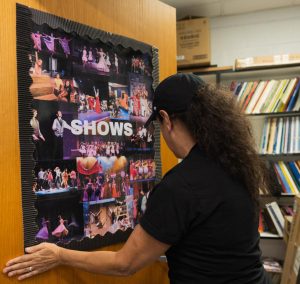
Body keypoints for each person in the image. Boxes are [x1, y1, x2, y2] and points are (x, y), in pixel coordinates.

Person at [2, 73, 271, 283]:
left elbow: (125, 264)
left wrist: (59, 254)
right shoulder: (235, 165)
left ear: (166, 119)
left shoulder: (181, 185)